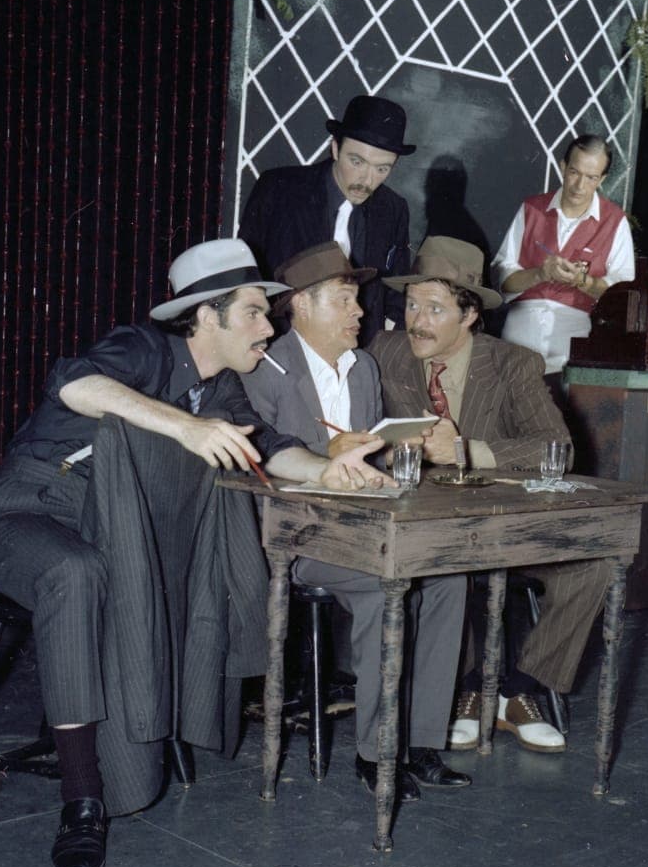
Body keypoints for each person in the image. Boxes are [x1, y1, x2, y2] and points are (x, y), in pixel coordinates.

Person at [0, 238, 390, 867]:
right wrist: (184, 427)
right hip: (30, 511)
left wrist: (332, 470)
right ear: (205, 315)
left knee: (124, 573)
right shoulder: (141, 348)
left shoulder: (225, 390)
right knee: (77, 574)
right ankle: (82, 800)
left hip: (111, 531)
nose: (267, 326)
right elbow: (75, 385)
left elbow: (268, 449)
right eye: (252, 311)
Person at [368, 236, 613, 755]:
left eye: (435, 309)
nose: (417, 321)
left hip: (502, 524)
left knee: (593, 565)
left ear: (471, 313)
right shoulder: (383, 352)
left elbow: (557, 448)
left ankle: (512, 688)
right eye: (412, 304)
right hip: (427, 527)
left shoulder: (512, 365)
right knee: (450, 570)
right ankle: (476, 690)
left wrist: (466, 450)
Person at [244, 241, 471, 800]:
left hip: (363, 525)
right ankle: (377, 750)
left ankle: (419, 742)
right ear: (300, 305)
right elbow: (257, 470)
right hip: (293, 535)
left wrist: (401, 447)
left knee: (447, 574)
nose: (360, 312)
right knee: (382, 584)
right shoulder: (264, 368)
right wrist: (330, 454)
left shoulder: (363, 366)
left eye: (356, 300)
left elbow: (368, 459)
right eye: (345, 300)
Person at [238, 94, 416, 347]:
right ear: (335, 148)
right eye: (357, 161)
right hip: (280, 348)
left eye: (382, 169)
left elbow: (394, 293)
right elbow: (246, 278)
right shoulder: (278, 189)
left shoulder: (393, 208)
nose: (366, 180)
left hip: (355, 354)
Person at [493, 134, 636, 372]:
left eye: (591, 178)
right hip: (519, 334)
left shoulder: (614, 221)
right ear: (562, 167)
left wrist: (582, 281)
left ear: (602, 179)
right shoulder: (531, 208)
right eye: (574, 172)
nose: (580, 186)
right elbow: (503, 282)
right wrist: (540, 273)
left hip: (572, 338)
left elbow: (622, 296)